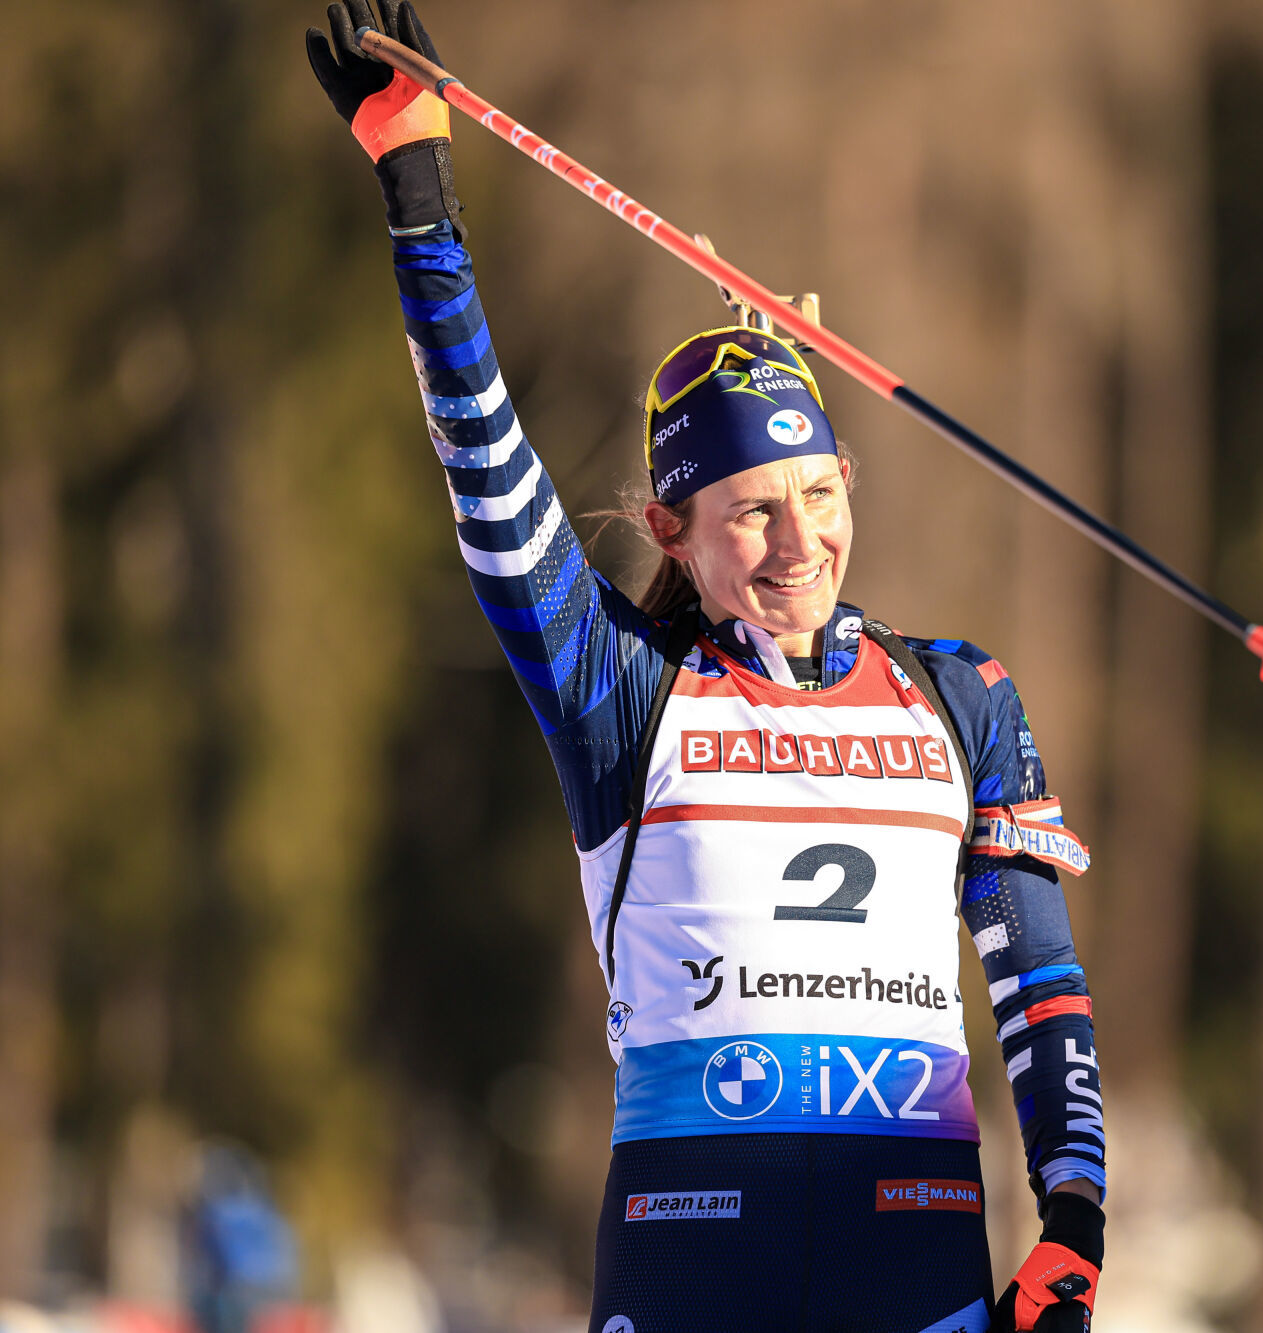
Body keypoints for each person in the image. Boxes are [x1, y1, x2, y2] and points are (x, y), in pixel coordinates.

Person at [307, 5, 1106, 1330]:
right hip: (692, 1271)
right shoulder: (627, 693)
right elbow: (488, 475)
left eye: (817, 493)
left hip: (913, 1274)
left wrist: (1071, 1225)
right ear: (671, 525)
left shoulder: (963, 695)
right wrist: (419, 192)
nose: (800, 541)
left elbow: (1041, 990)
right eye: (750, 510)